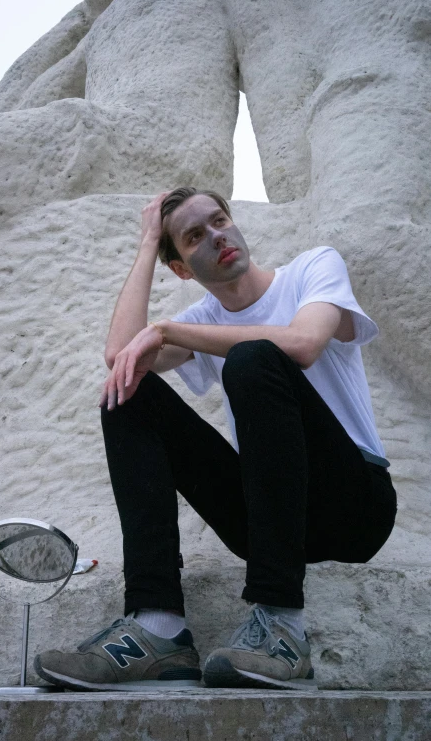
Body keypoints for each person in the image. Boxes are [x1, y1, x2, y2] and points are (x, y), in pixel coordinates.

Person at [34, 188, 397, 691]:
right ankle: (158, 628)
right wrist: (147, 245)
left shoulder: (313, 268)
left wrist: (165, 330)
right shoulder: (202, 319)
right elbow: (121, 356)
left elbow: (304, 344)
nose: (217, 236)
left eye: (219, 220)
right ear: (182, 268)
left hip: (354, 506)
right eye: (194, 236)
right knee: (126, 392)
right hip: (265, 518)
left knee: (255, 357)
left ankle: (282, 629)